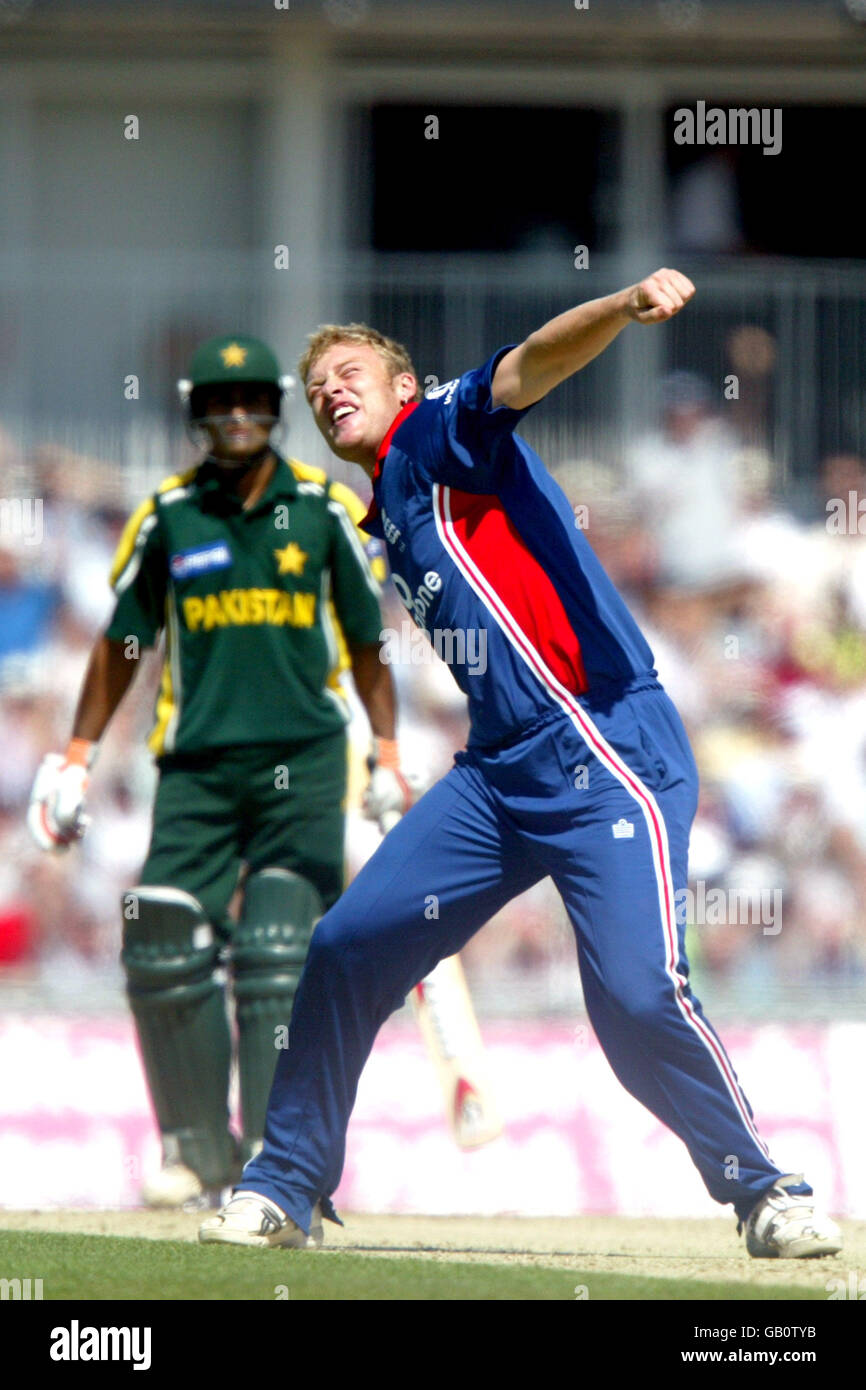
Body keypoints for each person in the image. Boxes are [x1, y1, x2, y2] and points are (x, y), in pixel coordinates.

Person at [199, 277, 842, 1257]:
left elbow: (529, 362)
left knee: (632, 1000)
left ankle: (764, 1189)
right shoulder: (389, 515)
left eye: (349, 373)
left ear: (401, 383)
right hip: (497, 774)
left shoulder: (437, 431)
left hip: (602, 743)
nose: (328, 390)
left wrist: (622, 305)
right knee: (345, 948)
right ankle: (285, 1186)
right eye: (316, 386)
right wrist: (384, 755)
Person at [27, 333, 410, 1207]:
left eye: (252, 400)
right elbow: (125, 642)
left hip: (305, 761)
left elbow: (365, 642)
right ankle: (197, 1154)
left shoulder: (319, 508)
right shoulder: (169, 515)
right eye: (218, 402)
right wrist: (76, 757)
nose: (237, 416)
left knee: (277, 953)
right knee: (161, 938)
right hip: (196, 766)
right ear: (197, 412)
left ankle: (277, 1175)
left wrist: (388, 752)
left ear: (276, 410)